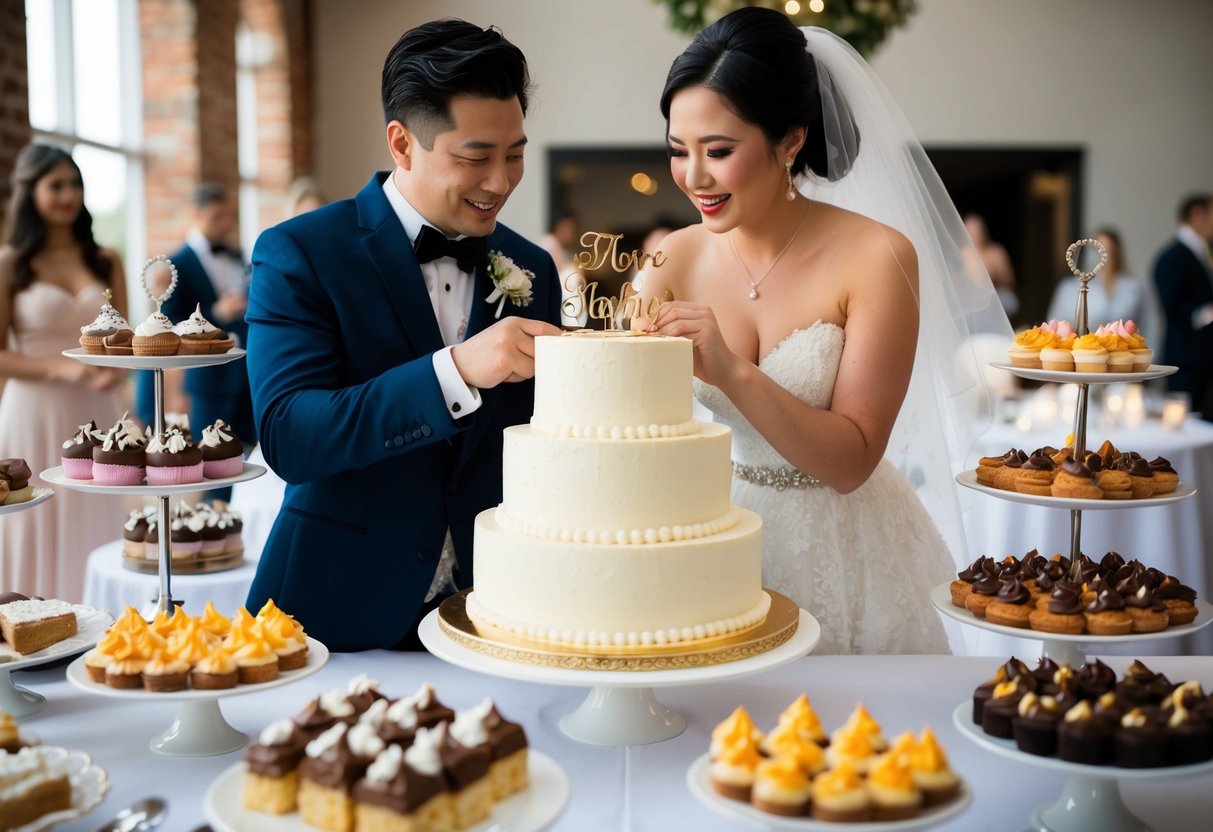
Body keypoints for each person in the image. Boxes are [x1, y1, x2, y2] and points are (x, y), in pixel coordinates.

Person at [638, 7, 1010, 654]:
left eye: (718, 151)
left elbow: (852, 461)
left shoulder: (877, 256)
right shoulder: (671, 259)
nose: (692, 176)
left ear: (789, 142)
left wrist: (730, 370)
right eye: (678, 151)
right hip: (718, 542)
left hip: (847, 548)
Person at [243, 19, 563, 651]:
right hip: (332, 620)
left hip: (497, 616)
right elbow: (290, 433)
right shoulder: (300, 252)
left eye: (515, 154)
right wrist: (457, 372)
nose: (500, 182)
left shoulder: (533, 268)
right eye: (475, 157)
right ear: (401, 143)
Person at [0, 144, 127, 600]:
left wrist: (114, 373)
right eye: (55, 185)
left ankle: (99, 621)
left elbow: (123, 342)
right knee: (33, 518)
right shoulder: (10, 262)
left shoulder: (105, 258)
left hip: (95, 407)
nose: (68, 194)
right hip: (33, 407)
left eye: (75, 183)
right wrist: (62, 369)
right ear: (30, 192)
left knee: (92, 514)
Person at [134, 183, 256, 502]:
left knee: (254, 464)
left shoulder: (241, 256)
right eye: (219, 217)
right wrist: (216, 311)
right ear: (197, 215)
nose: (227, 224)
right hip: (210, 382)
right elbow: (170, 325)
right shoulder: (176, 265)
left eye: (230, 216)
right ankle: (219, 530)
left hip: (249, 373)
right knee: (215, 467)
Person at [1153, 193, 1213, 420]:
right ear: (1198, 214)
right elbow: (1171, 306)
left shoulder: (1203, 252)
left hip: (1204, 361)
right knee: (1188, 423)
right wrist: (1208, 312)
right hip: (1187, 361)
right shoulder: (1172, 257)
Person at [1047, 228, 1153, 327]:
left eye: (1109, 250)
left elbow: (1148, 322)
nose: (1105, 257)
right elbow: (1054, 322)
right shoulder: (1068, 287)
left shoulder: (1133, 286)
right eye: (1099, 251)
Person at [964, 213, 1019, 320]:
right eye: (971, 230)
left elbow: (1010, 281)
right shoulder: (964, 254)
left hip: (997, 295)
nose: (975, 234)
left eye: (977, 230)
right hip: (971, 298)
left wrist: (997, 273)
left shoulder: (996, 251)